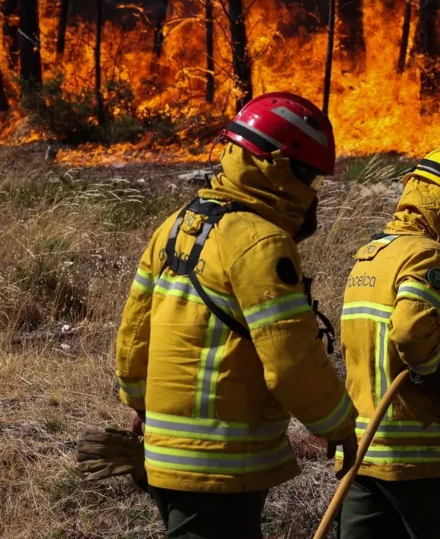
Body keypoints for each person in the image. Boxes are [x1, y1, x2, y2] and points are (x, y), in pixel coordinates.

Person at [114, 92, 357, 539]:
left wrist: (138, 401)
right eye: (310, 179)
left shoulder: (174, 226)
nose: (311, 195)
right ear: (282, 168)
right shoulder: (261, 243)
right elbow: (290, 361)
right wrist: (340, 424)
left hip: (163, 454)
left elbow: (133, 334)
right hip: (220, 461)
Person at [337, 148, 440, 539]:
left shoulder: (370, 257)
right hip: (420, 459)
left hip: (363, 456)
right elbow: (410, 336)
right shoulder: (426, 254)